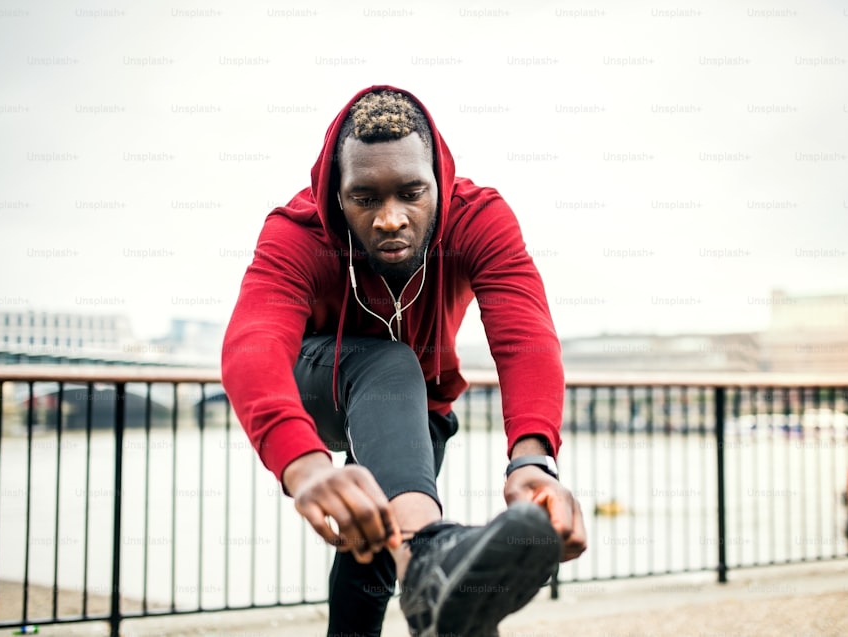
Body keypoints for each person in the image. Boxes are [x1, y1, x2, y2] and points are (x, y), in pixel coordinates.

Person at [221, 85, 587, 637]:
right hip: (314, 386)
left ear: (438, 182)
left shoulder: (478, 219)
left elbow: (526, 337)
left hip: (417, 404)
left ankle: (433, 596)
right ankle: (431, 554)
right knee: (392, 363)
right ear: (336, 194)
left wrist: (532, 461)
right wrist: (304, 463)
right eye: (364, 198)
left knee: (373, 549)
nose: (390, 218)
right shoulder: (298, 234)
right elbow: (253, 342)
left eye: (411, 193)